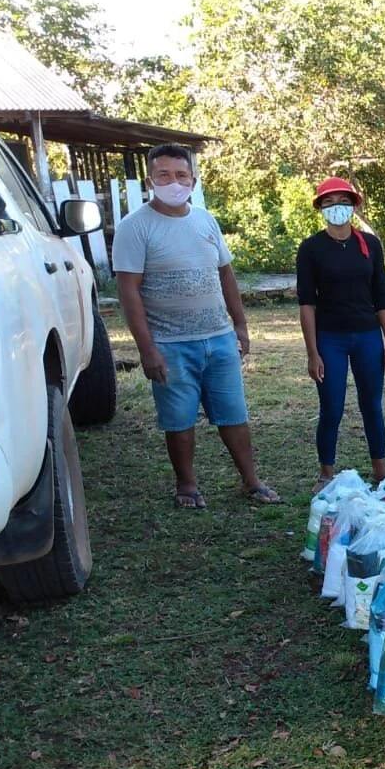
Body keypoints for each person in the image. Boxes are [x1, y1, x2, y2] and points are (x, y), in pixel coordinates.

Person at [112, 144, 280, 509]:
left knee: (234, 414)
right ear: (149, 181)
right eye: (164, 176)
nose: (173, 182)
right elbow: (128, 291)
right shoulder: (134, 227)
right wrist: (147, 349)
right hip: (170, 345)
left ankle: (251, 481)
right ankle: (186, 486)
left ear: (193, 178)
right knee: (179, 420)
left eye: (181, 175)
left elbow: (226, 274)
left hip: (219, 339)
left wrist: (240, 326)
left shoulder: (206, 220)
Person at [296, 177, 385, 490]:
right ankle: (326, 472)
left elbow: (381, 295)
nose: (336, 208)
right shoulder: (311, 248)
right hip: (330, 339)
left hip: (367, 336)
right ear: (320, 209)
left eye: (342, 201)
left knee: (372, 404)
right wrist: (313, 353)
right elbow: (307, 304)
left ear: (354, 205)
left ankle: (380, 470)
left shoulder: (370, 245)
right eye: (328, 203)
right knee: (332, 407)